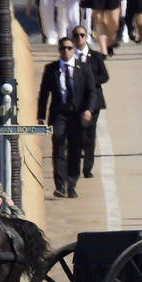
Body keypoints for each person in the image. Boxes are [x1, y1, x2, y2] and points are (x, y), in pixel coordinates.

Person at [38, 36, 96, 198]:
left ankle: (72, 183)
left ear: (74, 50)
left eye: (69, 48)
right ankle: (60, 185)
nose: (66, 51)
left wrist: (88, 110)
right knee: (58, 146)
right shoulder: (51, 69)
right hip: (59, 114)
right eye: (63, 48)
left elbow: (91, 91)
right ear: (59, 50)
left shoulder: (83, 68)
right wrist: (41, 116)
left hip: (77, 115)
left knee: (75, 150)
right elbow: (44, 94)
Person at [72, 27, 108, 178]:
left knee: (90, 135)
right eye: (76, 35)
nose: (79, 38)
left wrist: (90, 81)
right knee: (77, 134)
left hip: (93, 100)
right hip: (75, 101)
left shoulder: (96, 56)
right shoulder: (70, 56)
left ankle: (87, 168)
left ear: (86, 37)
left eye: (82, 35)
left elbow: (104, 76)